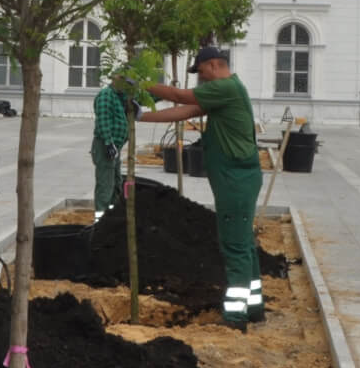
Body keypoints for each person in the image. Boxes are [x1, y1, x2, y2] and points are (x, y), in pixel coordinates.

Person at [137, 45, 264, 329]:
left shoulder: (226, 87)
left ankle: (235, 316)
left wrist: (141, 84)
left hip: (236, 181)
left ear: (215, 64)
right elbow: (184, 111)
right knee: (243, 243)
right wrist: (141, 116)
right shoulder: (225, 92)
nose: (201, 77)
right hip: (237, 179)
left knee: (235, 246)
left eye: (202, 71)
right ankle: (254, 307)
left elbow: (181, 96)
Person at [90, 75, 138, 218]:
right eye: (126, 84)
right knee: (106, 186)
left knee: (117, 183)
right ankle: (100, 220)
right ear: (117, 80)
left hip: (114, 147)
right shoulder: (106, 95)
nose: (128, 88)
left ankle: (111, 216)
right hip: (105, 146)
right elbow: (103, 120)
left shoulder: (119, 96)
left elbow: (138, 102)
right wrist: (108, 143)